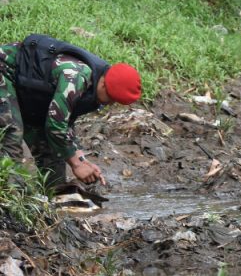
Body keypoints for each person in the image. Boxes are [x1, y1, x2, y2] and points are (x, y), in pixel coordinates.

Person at [0, 35, 142, 188]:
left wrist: (81, 159)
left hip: (27, 90)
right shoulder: (76, 77)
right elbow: (55, 124)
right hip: (5, 71)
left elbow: (65, 120)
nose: (109, 104)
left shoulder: (94, 84)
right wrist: (76, 164)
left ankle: (54, 201)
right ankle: (11, 202)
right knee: (11, 138)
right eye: (111, 99)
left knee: (53, 156)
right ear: (104, 85)